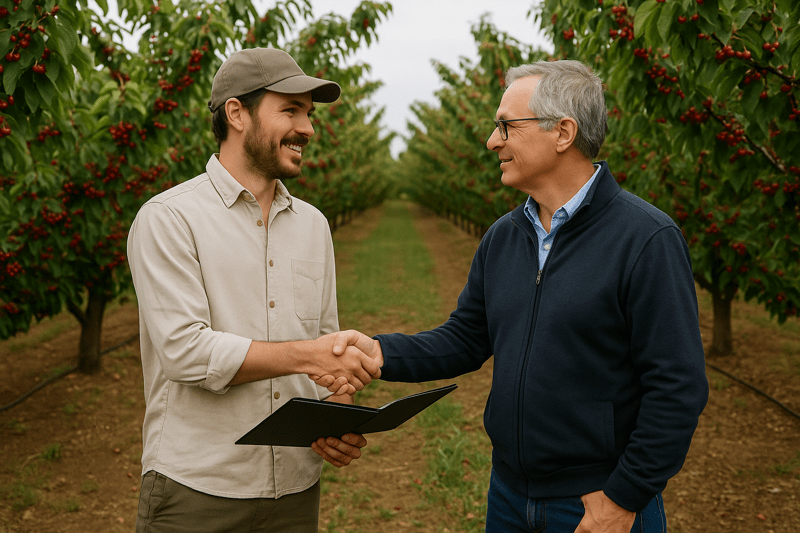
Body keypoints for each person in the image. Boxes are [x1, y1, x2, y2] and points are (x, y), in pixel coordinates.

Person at [319, 60, 709, 532]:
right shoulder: (505, 236)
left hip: (594, 503)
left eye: (506, 125)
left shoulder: (645, 239)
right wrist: (379, 352)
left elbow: (677, 386)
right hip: (508, 494)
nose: (492, 141)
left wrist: (623, 498)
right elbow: (466, 339)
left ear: (563, 132)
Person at [128, 47, 380, 533]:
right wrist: (310, 356)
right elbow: (184, 350)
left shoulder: (313, 225)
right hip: (198, 490)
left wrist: (337, 411)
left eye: (308, 113)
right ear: (236, 113)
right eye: (290, 110)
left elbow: (323, 342)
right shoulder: (170, 218)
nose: (308, 128)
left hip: (294, 488)